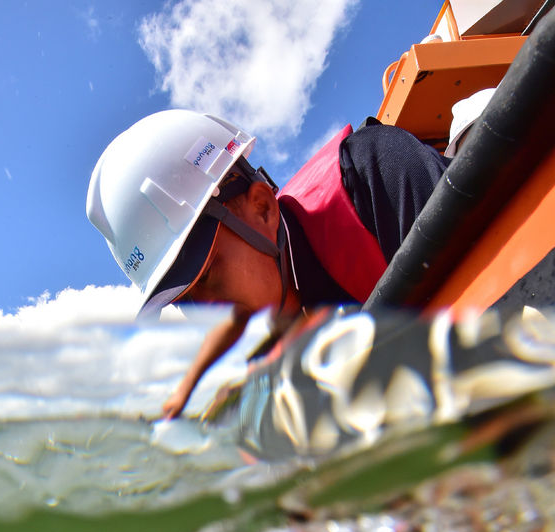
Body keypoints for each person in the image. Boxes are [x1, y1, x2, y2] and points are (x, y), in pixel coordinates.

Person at [87, 109, 448, 417]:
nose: (209, 313)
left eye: (209, 273)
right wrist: (185, 391)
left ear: (261, 207)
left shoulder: (380, 175)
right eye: (186, 301)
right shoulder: (268, 286)